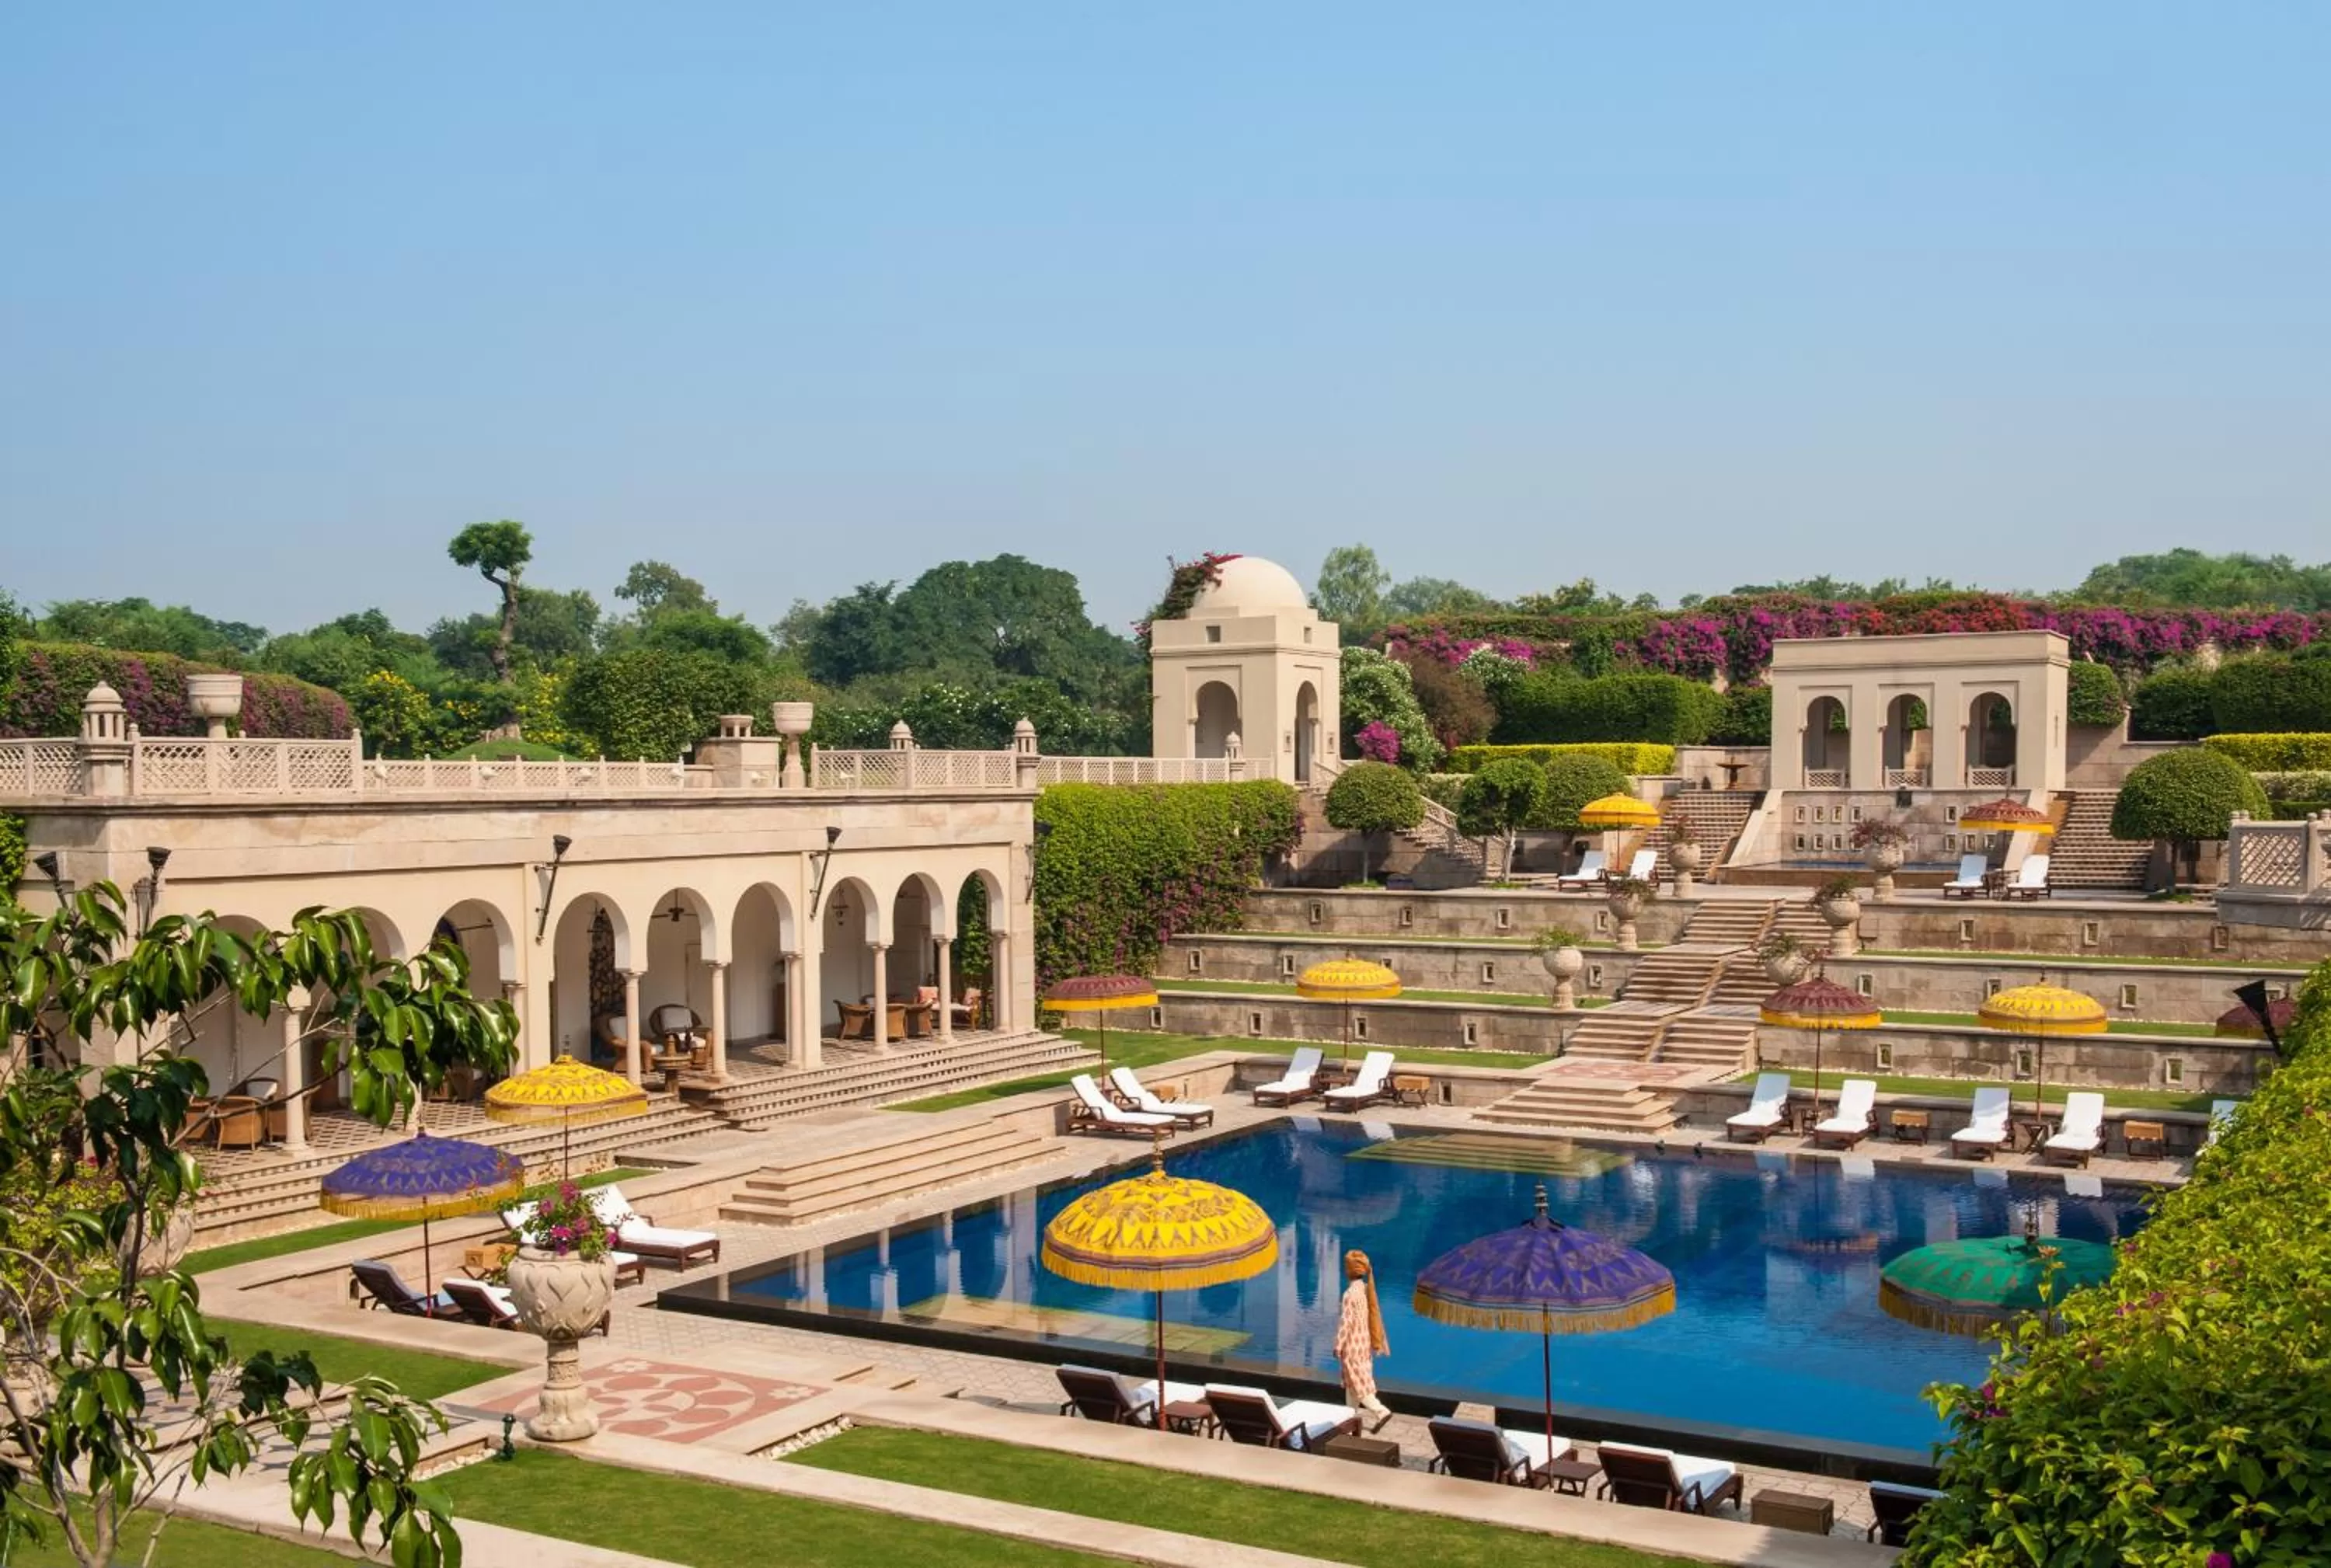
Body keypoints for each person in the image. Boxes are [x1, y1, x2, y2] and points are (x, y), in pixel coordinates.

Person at [1333, 1248, 1392, 1427]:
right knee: (1353, 1383)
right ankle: (1350, 1420)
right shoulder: (1366, 1290)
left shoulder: (1350, 1294)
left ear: (1349, 1270)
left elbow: (1346, 1321)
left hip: (1352, 1344)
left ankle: (1381, 1411)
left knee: (1357, 1382)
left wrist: (1338, 1344)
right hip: (1364, 1342)